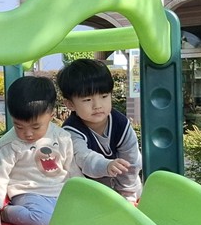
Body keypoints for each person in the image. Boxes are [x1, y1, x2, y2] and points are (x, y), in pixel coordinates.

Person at [0, 76, 78, 225]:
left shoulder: (62, 137)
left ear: (51, 115)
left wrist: (83, 193)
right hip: (28, 194)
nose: (28, 134)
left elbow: (72, 168)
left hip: (60, 193)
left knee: (80, 219)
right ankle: (7, 213)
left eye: (35, 127)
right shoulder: (9, 144)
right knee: (44, 221)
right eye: (19, 126)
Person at [56, 58, 142, 202]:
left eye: (104, 96)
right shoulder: (70, 132)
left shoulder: (121, 124)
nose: (97, 105)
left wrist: (128, 195)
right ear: (70, 104)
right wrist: (106, 165)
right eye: (87, 100)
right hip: (90, 196)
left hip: (128, 189)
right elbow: (84, 159)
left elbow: (132, 161)